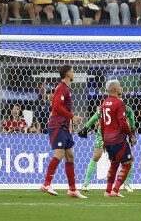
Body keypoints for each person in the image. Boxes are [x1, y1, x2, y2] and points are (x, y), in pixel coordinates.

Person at [40, 65, 86, 198]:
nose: (73, 73)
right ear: (67, 74)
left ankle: (72, 189)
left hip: (64, 127)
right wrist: (72, 117)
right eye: (72, 71)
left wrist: (70, 122)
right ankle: (46, 184)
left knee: (70, 156)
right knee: (59, 155)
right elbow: (56, 106)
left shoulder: (66, 89)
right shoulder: (61, 87)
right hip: (57, 126)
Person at [79, 102, 136, 192]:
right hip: (104, 133)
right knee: (97, 155)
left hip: (120, 134)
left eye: (120, 97)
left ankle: (126, 184)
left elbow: (132, 118)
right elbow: (95, 117)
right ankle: (85, 183)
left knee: (130, 157)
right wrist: (86, 127)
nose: (119, 99)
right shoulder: (105, 106)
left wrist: (132, 134)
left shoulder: (127, 109)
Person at [100, 79, 137, 197]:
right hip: (118, 139)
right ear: (115, 89)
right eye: (120, 86)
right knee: (127, 164)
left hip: (107, 139)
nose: (121, 88)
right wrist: (131, 136)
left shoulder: (104, 103)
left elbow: (102, 123)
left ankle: (108, 191)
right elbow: (122, 122)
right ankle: (115, 190)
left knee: (114, 164)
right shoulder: (119, 103)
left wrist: (104, 140)